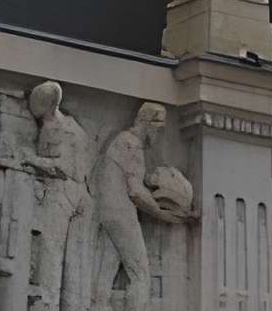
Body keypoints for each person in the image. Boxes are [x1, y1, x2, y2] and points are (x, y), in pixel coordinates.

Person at [18, 82, 89, 311]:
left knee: (51, 251)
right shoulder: (72, 123)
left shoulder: (55, 127)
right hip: (79, 196)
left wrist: (31, 159)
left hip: (62, 194)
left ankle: (46, 305)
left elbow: (63, 167)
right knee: (73, 261)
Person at [89, 105, 167, 311]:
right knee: (140, 275)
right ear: (147, 124)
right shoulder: (132, 144)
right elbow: (135, 192)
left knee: (106, 270)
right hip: (122, 213)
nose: (158, 134)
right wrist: (162, 212)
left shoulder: (119, 141)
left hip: (106, 214)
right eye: (157, 128)